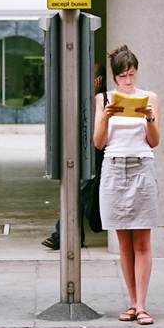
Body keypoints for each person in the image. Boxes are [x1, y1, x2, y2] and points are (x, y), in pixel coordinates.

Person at [94, 46, 160, 326]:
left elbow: (154, 141)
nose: (128, 81)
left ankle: (142, 305)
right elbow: (98, 143)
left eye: (131, 74)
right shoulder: (104, 99)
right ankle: (132, 303)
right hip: (114, 167)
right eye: (122, 76)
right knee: (124, 243)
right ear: (115, 76)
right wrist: (106, 116)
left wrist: (149, 117)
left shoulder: (150, 97)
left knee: (142, 241)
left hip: (142, 166)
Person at [42, 62, 106, 250]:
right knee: (77, 194)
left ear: (98, 80)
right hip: (83, 155)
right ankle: (72, 236)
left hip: (96, 156)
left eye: (89, 77)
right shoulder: (84, 98)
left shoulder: (101, 100)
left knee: (77, 194)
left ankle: (61, 235)